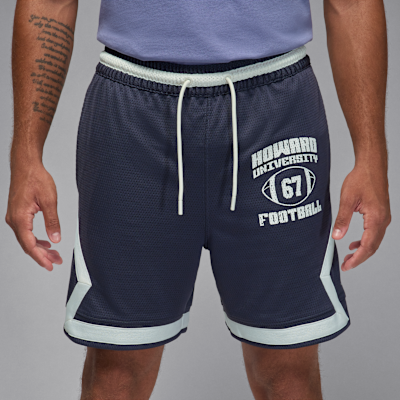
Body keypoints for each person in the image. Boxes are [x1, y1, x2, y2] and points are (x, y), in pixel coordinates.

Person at [6, 0, 391, 399]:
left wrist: (372, 157)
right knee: (117, 374)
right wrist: (26, 154)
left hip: (275, 108)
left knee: (287, 374)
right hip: (133, 110)